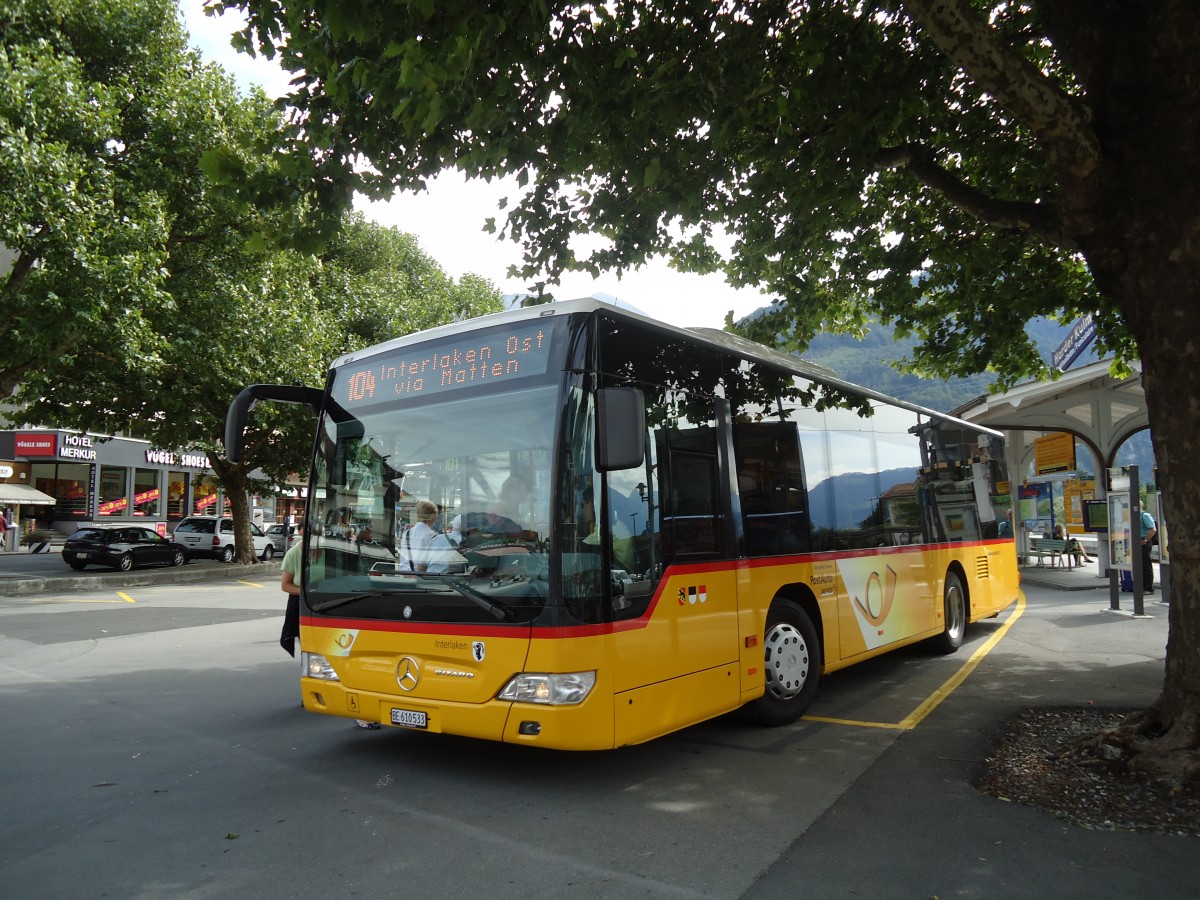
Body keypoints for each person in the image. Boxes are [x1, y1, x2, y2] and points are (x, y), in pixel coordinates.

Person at [400, 500, 439, 571]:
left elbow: (403, 560)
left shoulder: (407, 533)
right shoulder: (432, 536)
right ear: (432, 517)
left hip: (406, 575)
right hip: (423, 576)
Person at [1140, 508, 1157, 592]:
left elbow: (1153, 529)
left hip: (1144, 541)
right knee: (1139, 564)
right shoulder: (1133, 516)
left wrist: (1146, 539)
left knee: (1145, 564)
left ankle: (1148, 587)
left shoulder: (1145, 516)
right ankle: (1141, 585)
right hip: (1137, 541)